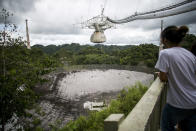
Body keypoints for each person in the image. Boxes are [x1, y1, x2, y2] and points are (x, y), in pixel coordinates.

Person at [155, 25, 196, 131]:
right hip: (194, 102)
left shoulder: (165, 53)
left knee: (166, 125)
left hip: (178, 103)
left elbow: (163, 78)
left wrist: (162, 75)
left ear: (164, 40)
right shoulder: (190, 55)